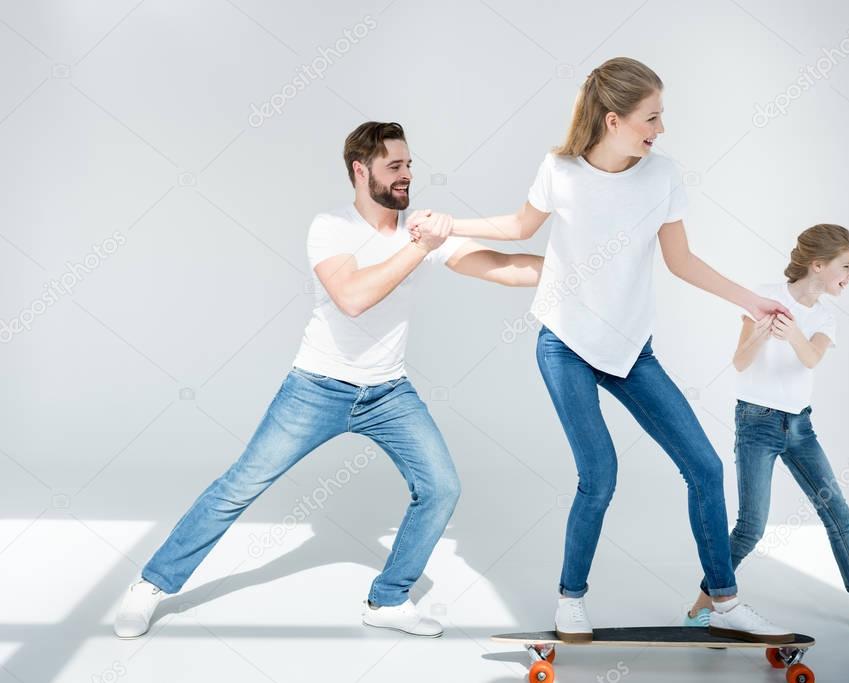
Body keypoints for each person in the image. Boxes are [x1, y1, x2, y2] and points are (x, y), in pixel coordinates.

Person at [412, 57, 795, 644]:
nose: (660, 129)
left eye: (661, 117)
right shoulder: (559, 170)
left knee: (705, 467)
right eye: (652, 117)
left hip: (631, 351)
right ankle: (571, 599)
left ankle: (723, 601)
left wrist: (751, 302)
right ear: (613, 120)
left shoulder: (662, 175)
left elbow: (681, 261)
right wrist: (448, 225)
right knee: (600, 475)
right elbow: (518, 228)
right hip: (564, 344)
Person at [113, 121, 543, 639]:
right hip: (316, 387)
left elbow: (502, 265)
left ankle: (387, 601)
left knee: (441, 486)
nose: (407, 176)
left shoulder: (420, 228)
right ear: (361, 172)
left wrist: (576, 267)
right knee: (239, 486)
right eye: (395, 166)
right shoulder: (331, 227)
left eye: (409, 164)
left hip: (389, 393)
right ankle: (150, 585)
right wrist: (420, 245)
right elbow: (354, 298)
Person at [683, 224, 849, 637]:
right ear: (818, 265)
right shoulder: (764, 295)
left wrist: (793, 331)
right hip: (756, 424)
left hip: (800, 427)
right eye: (846, 267)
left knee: (838, 515)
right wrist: (762, 332)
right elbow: (741, 363)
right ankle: (699, 609)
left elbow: (812, 358)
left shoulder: (825, 316)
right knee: (751, 527)